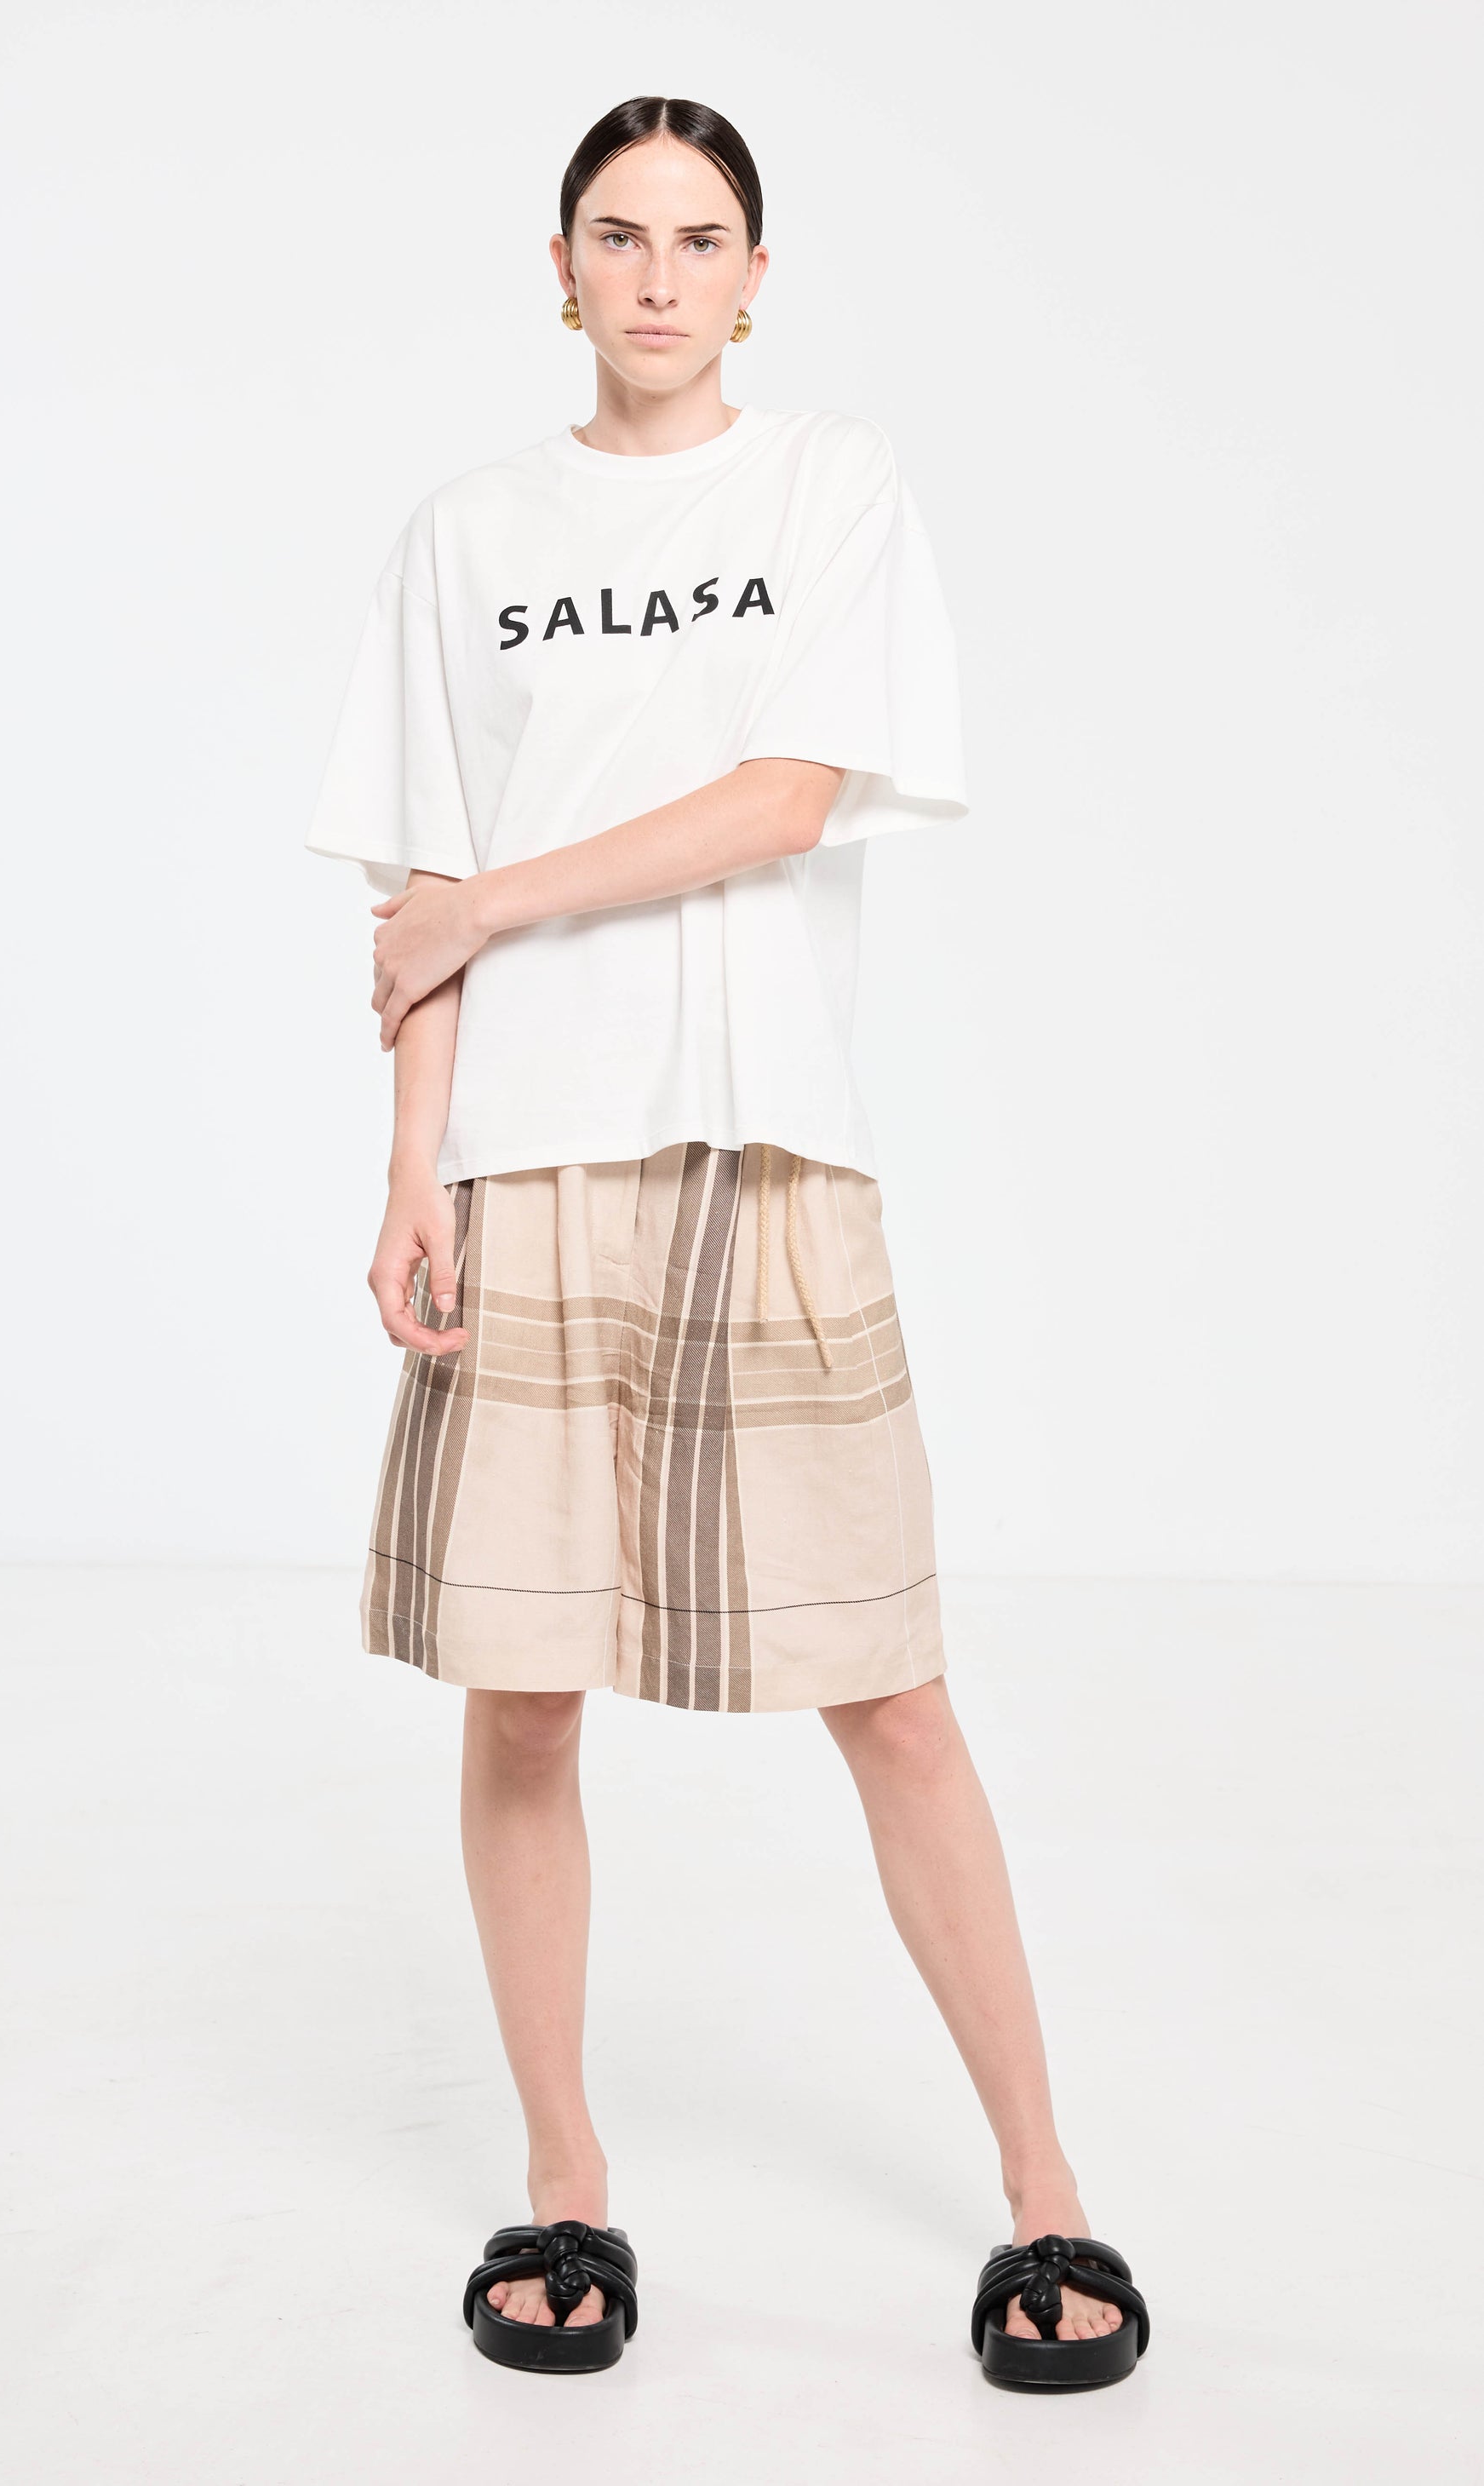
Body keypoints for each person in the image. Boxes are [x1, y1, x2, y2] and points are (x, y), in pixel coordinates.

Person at [306, 95, 1149, 2391]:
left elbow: (786, 800)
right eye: (619, 234)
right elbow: (416, 897)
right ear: (559, 267)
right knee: (520, 1685)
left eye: (700, 239)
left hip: (766, 1141)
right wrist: (414, 1166)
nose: (659, 275)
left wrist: (497, 896)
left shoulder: (827, 488)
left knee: (889, 1686)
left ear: (757, 281)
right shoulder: (468, 533)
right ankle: (564, 2177)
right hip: (527, 1154)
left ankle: (1046, 2190)